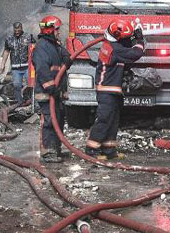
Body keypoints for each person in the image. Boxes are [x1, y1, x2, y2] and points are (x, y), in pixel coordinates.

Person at [85, 20, 144, 160]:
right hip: (106, 90)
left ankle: (109, 149)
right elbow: (135, 53)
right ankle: (91, 149)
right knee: (104, 119)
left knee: (113, 120)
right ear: (118, 37)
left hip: (112, 90)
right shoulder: (114, 49)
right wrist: (139, 39)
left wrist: (131, 36)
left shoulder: (113, 44)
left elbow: (125, 47)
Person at [32, 15, 71, 164]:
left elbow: (65, 58)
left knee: (58, 120)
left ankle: (56, 148)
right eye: (57, 29)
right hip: (47, 93)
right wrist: (51, 87)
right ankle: (48, 151)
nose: (59, 32)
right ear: (50, 30)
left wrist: (67, 58)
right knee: (49, 121)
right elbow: (42, 70)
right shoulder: (42, 47)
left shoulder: (54, 45)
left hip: (56, 92)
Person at [0, 21, 33, 106]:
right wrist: (3, 64)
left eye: (18, 30)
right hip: (15, 68)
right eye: (15, 30)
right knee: (17, 85)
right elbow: (6, 51)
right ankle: (19, 103)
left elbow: (35, 48)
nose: (17, 32)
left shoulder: (28, 37)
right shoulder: (9, 39)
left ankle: (32, 101)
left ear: (21, 28)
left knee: (31, 84)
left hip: (27, 66)